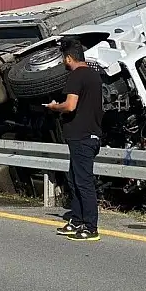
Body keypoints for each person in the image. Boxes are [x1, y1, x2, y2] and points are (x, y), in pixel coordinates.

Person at [45, 37, 103, 241]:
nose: (63, 62)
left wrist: (54, 107)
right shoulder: (94, 76)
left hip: (82, 136)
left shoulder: (77, 76)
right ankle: (77, 220)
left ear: (69, 58)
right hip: (90, 134)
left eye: (63, 58)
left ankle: (90, 225)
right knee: (74, 179)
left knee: (83, 181)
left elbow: (70, 105)